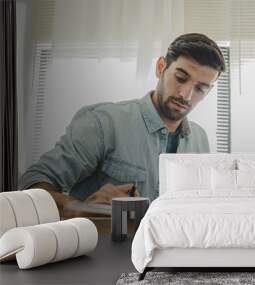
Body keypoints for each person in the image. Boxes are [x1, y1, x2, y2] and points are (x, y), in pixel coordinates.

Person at [19, 33, 225, 216]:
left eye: (200, 88)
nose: (186, 95)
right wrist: (80, 207)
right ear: (161, 67)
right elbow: (32, 185)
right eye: (181, 78)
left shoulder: (200, 140)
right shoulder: (103, 123)